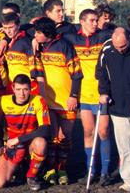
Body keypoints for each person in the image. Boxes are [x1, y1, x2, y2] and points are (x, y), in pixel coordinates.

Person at [63, 9, 112, 186]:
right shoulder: (71, 38)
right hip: (83, 95)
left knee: (104, 131)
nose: (94, 23)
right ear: (82, 22)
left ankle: (105, 171)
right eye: (91, 20)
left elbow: (125, 33)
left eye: (96, 20)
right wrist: (33, 39)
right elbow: (48, 32)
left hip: (101, 94)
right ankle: (90, 169)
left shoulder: (104, 36)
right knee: (88, 132)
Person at [34, 17, 83, 185]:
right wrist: (34, 40)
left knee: (65, 137)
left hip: (66, 100)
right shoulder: (39, 47)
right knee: (52, 137)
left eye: (38, 33)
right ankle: (51, 170)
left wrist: (73, 96)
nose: (35, 35)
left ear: (47, 33)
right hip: (48, 101)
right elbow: (22, 29)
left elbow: (77, 74)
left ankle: (62, 169)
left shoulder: (64, 46)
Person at [97, 28, 130, 192]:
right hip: (117, 104)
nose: (119, 50)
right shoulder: (107, 48)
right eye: (117, 46)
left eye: (123, 47)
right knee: (123, 145)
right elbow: (101, 72)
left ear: (129, 39)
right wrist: (103, 92)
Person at [0, 74, 50, 191]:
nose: (22, 94)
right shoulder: (3, 101)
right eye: (18, 89)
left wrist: (19, 139)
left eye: (25, 89)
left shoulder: (39, 100)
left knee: (41, 143)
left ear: (30, 89)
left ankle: (31, 176)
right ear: (13, 88)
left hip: (30, 144)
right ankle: (20, 167)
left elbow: (45, 129)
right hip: (13, 147)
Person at [1, 12, 44, 95]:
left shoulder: (27, 42)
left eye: (11, 27)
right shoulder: (9, 42)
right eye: (5, 28)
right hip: (12, 86)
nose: (8, 31)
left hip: (27, 88)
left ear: (18, 25)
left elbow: (38, 70)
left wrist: (42, 95)